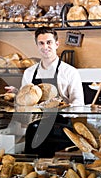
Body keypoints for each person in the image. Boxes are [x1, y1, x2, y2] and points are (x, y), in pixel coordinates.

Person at [6, 27, 84, 157]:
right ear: (37, 45)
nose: (45, 46)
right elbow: (26, 105)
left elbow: (79, 104)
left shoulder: (70, 72)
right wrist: (17, 95)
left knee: (60, 168)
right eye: (41, 43)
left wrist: (61, 107)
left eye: (49, 42)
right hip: (35, 129)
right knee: (34, 169)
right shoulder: (29, 72)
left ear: (56, 44)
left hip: (61, 129)